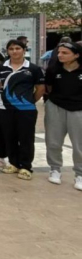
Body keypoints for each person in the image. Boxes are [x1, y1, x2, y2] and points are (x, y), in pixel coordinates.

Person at [0, 39, 45, 179]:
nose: (14, 51)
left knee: (26, 138)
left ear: (24, 50)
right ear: (7, 51)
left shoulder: (33, 69)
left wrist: (29, 101)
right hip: (4, 108)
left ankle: (26, 166)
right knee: (9, 136)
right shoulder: (0, 67)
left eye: (17, 48)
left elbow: (40, 89)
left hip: (26, 109)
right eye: (11, 49)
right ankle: (14, 163)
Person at [44, 41, 82, 190]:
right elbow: (49, 88)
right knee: (53, 141)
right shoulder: (53, 70)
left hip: (78, 109)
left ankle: (79, 174)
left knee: (79, 144)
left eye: (65, 53)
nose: (60, 55)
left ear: (76, 55)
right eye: (59, 52)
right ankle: (55, 169)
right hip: (56, 106)